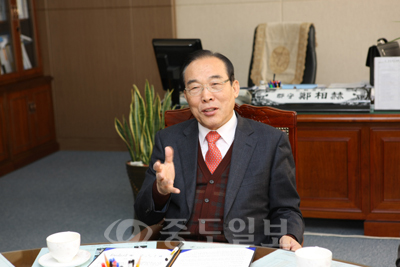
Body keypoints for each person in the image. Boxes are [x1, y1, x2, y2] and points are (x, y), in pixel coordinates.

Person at [134, 50, 304, 251]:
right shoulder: (169, 140)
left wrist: (288, 235)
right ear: (186, 96)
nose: (206, 96)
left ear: (234, 88)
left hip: (242, 254)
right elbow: (143, 215)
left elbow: (286, 208)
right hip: (179, 252)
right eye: (195, 88)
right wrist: (159, 192)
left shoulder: (271, 141)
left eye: (215, 85)